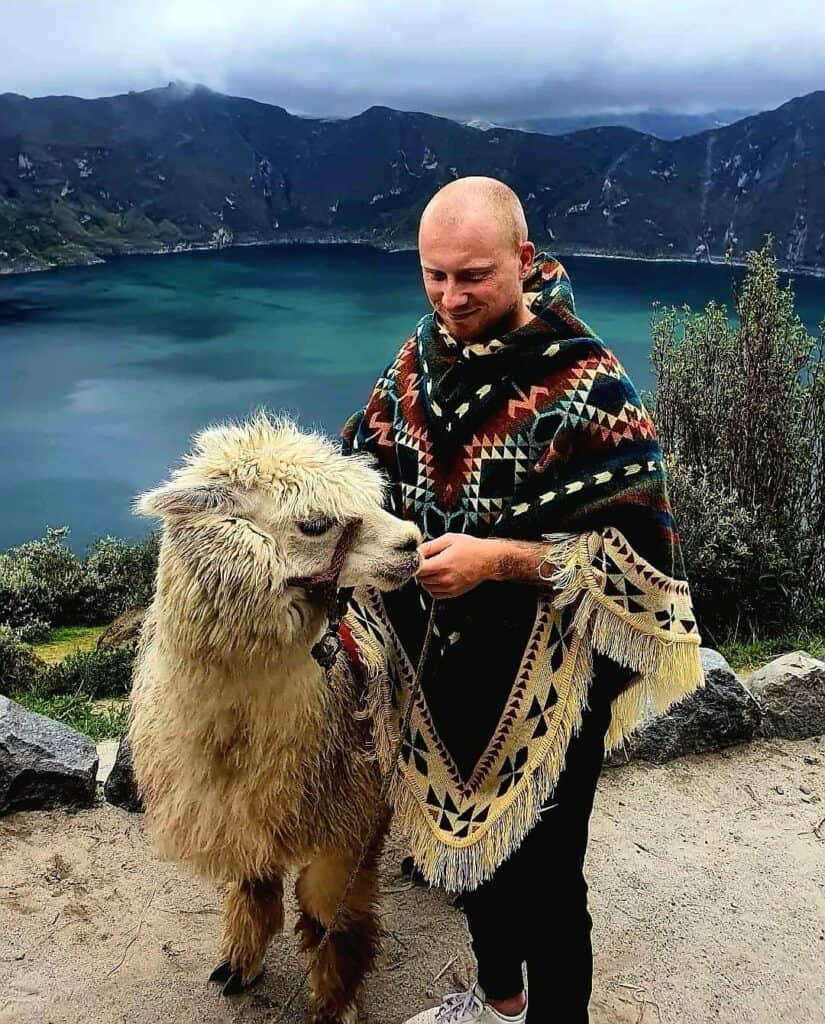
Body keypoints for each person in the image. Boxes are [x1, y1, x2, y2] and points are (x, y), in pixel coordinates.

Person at [341, 177, 703, 1023]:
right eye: (433, 275)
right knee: (464, 849)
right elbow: (362, 463)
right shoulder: (418, 357)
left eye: (472, 276)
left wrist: (494, 559)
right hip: (434, 668)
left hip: (546, 677)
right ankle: (497, 1001)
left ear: (525, 261)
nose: (450, 297)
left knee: (546, 876)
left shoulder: (588, 386)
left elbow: (634, 550)